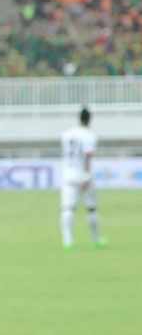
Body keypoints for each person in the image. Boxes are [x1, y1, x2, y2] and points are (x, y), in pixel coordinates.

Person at [60, 107, 107, 249]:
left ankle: (68, 240)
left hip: (68, 174)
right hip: (83, 175)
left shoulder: (66, 134)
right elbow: (87, 156)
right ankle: (95, 239)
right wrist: (86, 176)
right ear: (89, 120)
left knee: (68, 209)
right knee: (91, 208)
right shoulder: (90, 135)